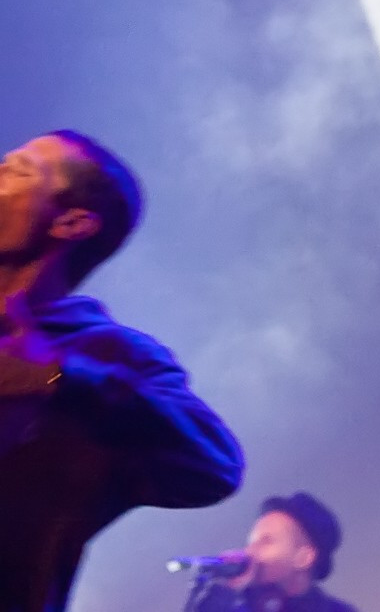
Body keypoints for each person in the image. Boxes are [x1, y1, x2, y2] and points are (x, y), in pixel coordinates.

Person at [0, 130, 244, 612]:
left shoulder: (112, 353)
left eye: (16, 171)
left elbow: (215, 462)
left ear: (71, 222)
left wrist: (54, 377)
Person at [186, 491, 360, 612]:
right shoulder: (235, 606)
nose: (250, 551)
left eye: (265, 542)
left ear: (304, 557)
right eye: (251, 543)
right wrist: (222, 593)